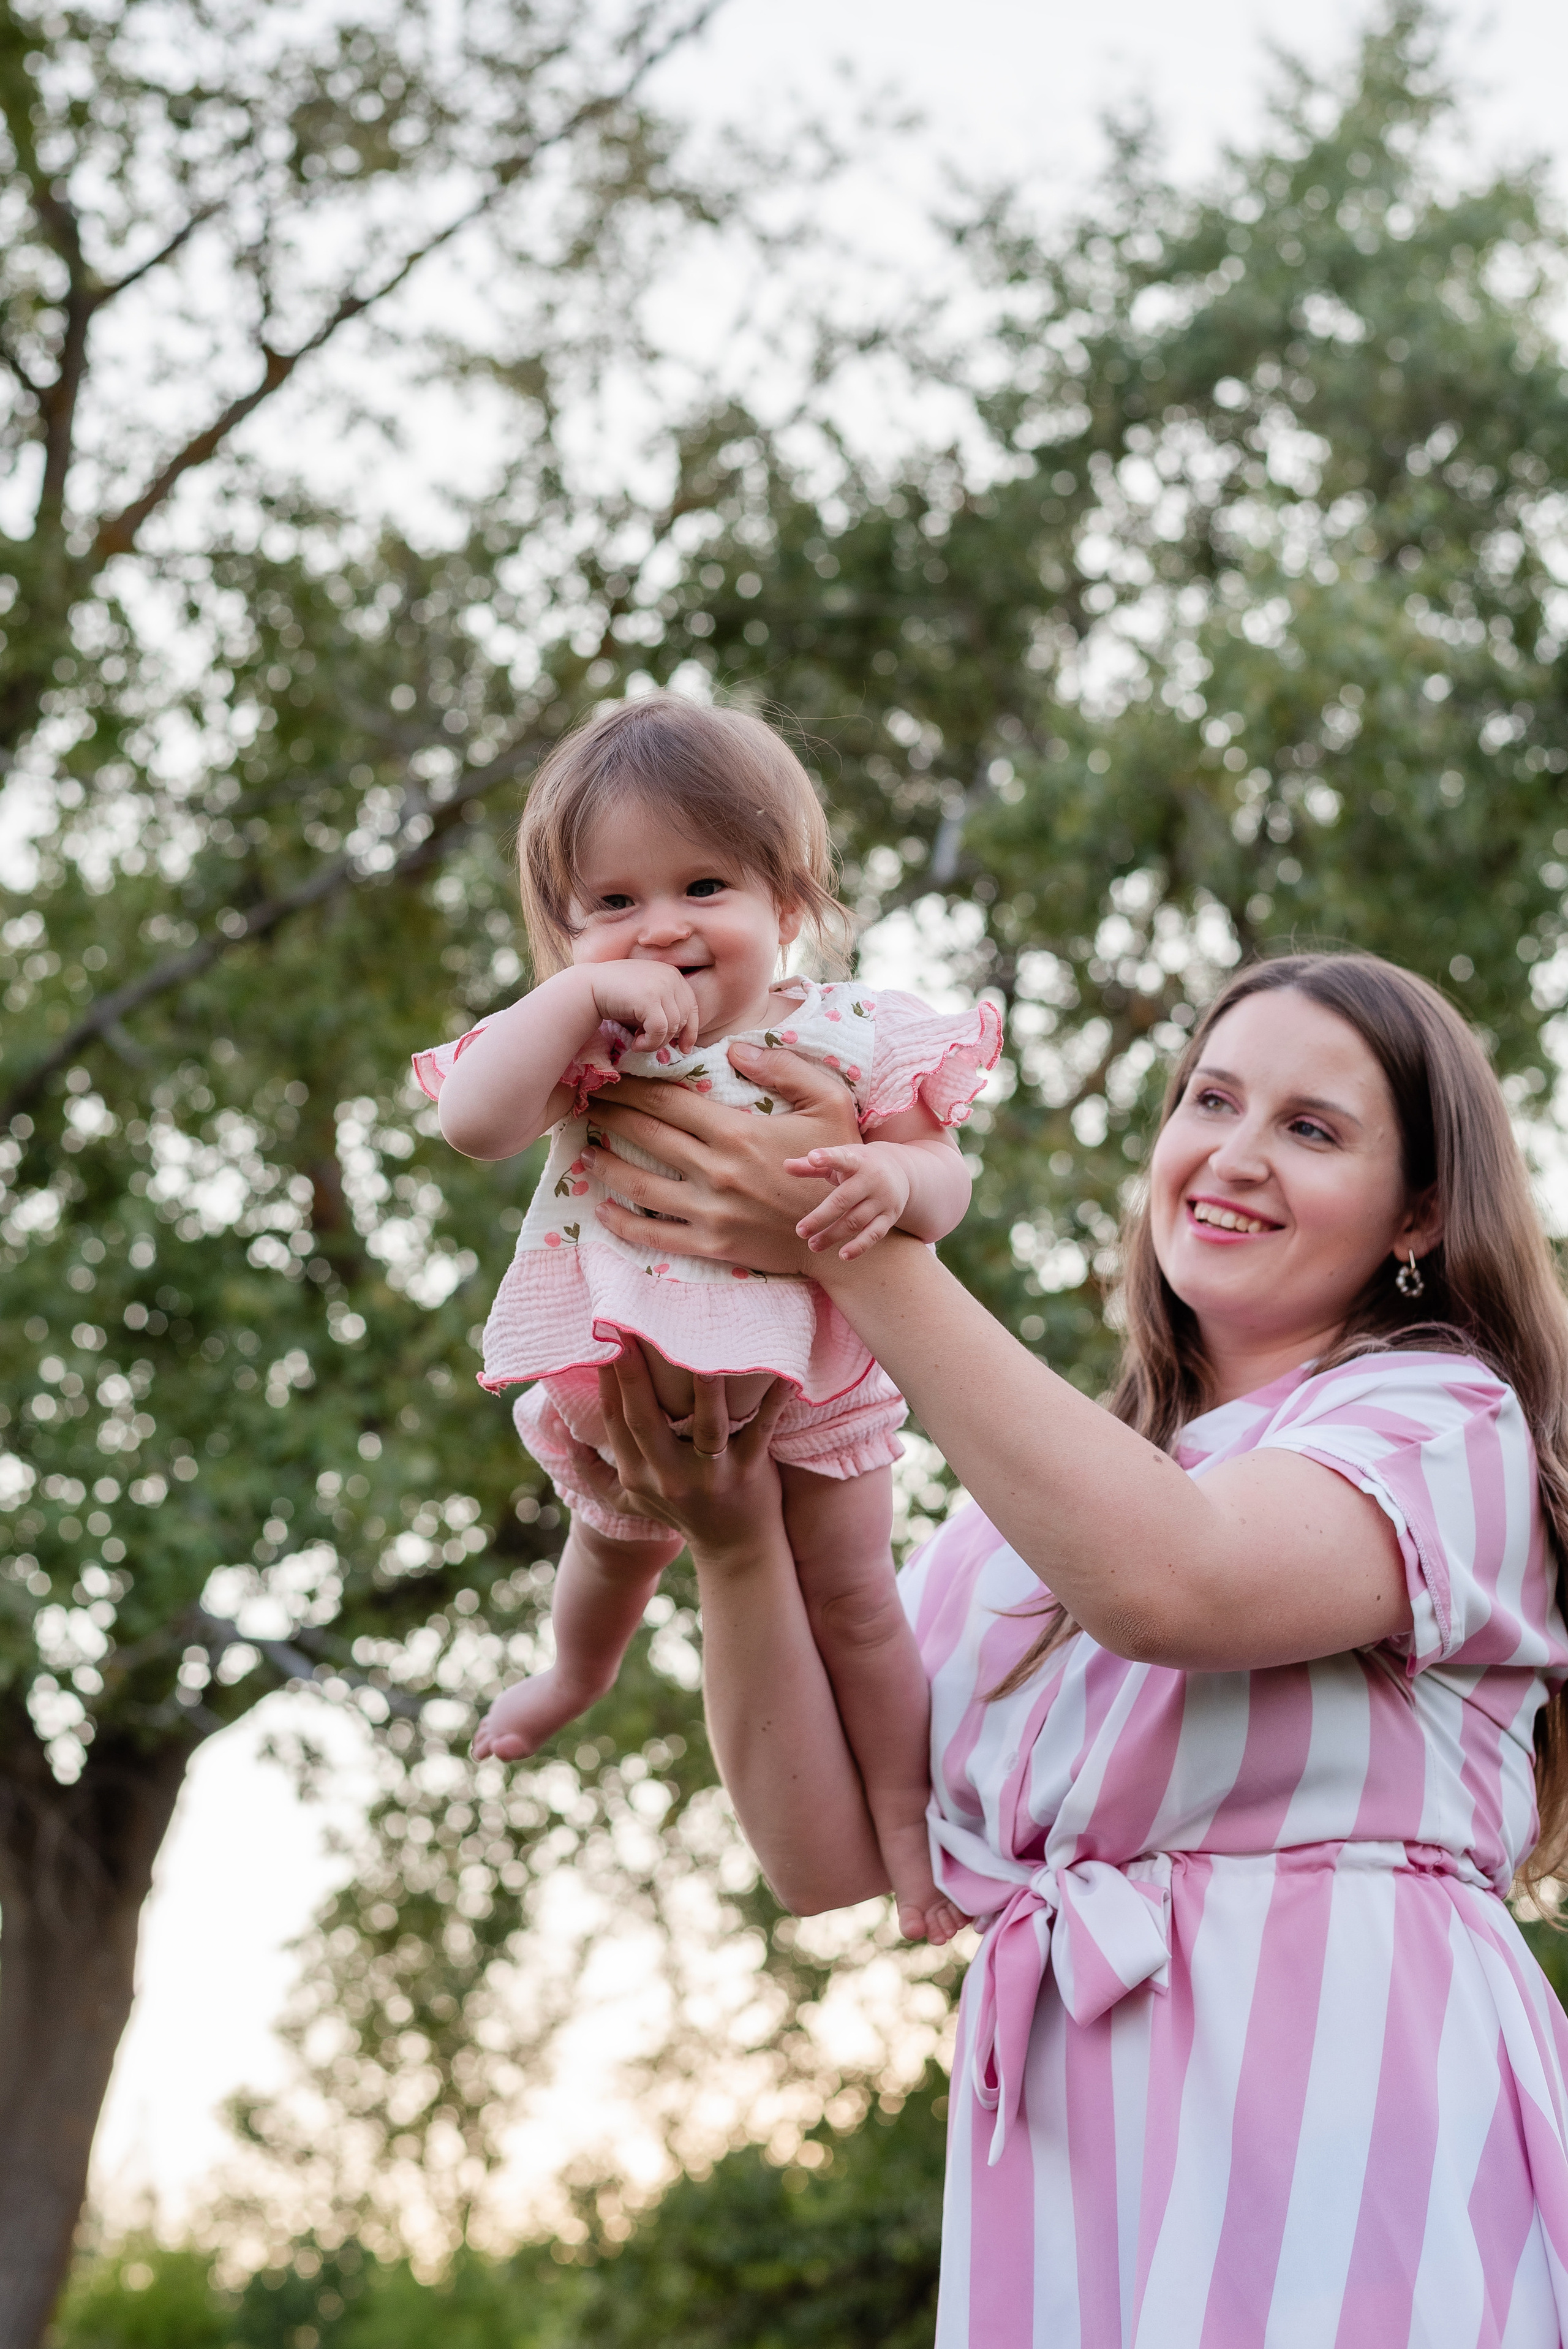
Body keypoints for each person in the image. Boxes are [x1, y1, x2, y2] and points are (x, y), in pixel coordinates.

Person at [554, 949, 1568, 2347]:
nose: (1235, 1155)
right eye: (1211, 1101)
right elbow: (824, 1854)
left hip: (1348, 2129)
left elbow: (1177, 1584)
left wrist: (841, 1235)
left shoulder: (1447, 1422)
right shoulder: (1011, 1534)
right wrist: (731, 1548)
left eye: (1311, 1127)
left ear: (1421, 1211)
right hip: (1071, 2167)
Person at [413, 694, 998, 1943]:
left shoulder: (852, 1033)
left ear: (785, 904)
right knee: (608, 1547)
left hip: (817, 1379)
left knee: (857, 1603)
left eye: (703, 885)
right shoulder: (589, 1040)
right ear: (567, 930)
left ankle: (911, 1836)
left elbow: (943, 1182)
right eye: (612, 903)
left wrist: (894, 1180)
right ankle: (576, 1673)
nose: (662, 927)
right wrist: (578, 999)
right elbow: (472, 1121)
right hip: (629, 1374)